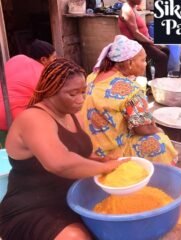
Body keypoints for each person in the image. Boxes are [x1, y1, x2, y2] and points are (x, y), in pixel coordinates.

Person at [0, 58, 124, 239]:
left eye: (83, 92)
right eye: (73, 94)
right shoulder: (33, 118)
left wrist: (101, 160)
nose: (80, 99)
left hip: (72, 198)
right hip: (32, 208)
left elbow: (80, 155)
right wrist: (106, 168)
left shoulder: (71, 116)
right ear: (50, 91)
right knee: (76, 237)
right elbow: (59, 163)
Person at [81, 35, 177, 164]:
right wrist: (159, 130)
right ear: (129, 63)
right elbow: (142, 129)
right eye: (143, 60)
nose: (145, 64)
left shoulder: (92, 76)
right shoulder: (131, 89)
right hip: (109, 152)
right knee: (161, 142)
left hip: (89, 147)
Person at [0, 40, 57, 131]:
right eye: (54, 58)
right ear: (43, 59)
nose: (56, 61)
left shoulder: (17, 58)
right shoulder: (43, 75)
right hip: (18, 120)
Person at [118, 0, 169, 78]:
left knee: (165, 50)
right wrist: (150, 42)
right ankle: (159, 85)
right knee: (162, 57)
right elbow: (135, 33)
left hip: (143, 41)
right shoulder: (127, 10)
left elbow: (142, 30)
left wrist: (150, 39)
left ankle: (151, 80)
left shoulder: (133, 8)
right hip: (135, 43)